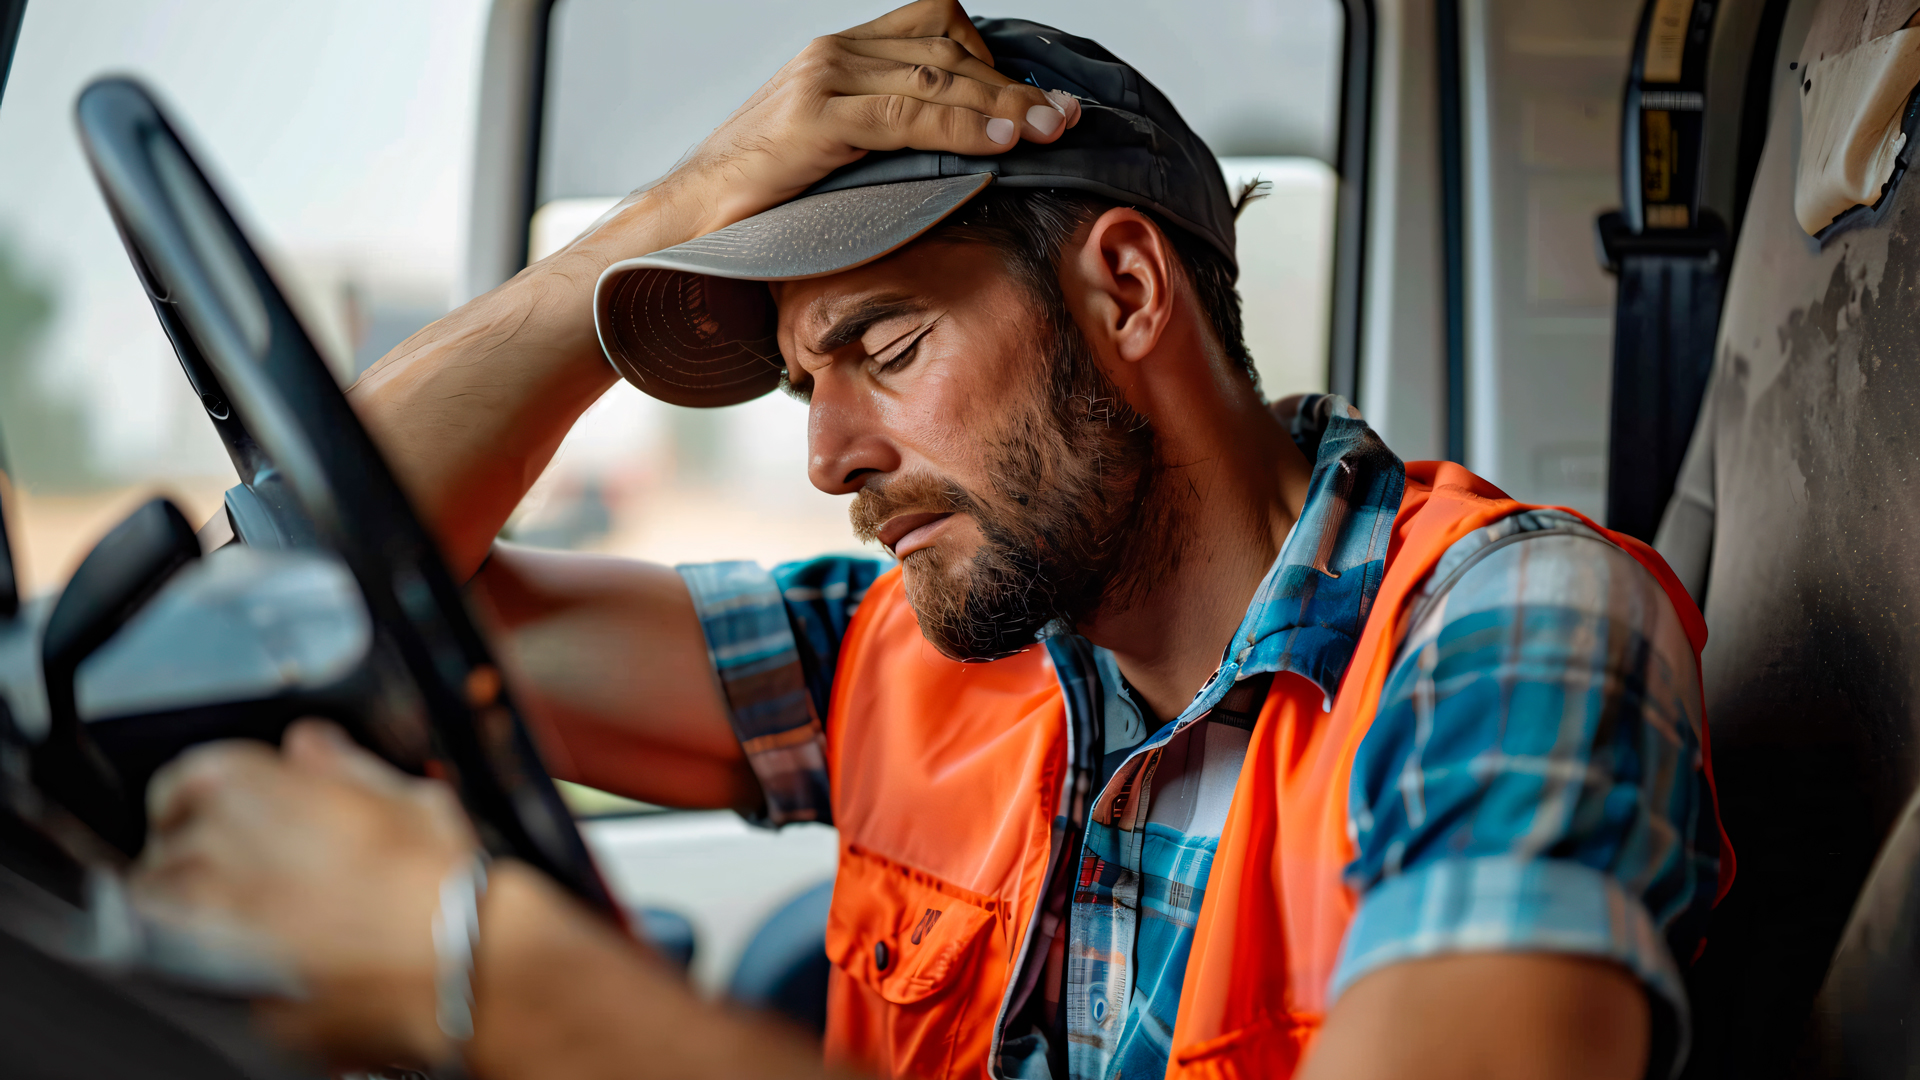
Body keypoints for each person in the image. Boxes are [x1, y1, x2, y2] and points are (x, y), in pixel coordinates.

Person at [129, 3, 1730, 1079]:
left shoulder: (1509, 626)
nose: (829, 457)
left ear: (1123, 293)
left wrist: (501, 980)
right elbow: (324, 582)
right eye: (801, 385)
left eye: (884, 352)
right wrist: (663, 217)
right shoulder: (910, 652)